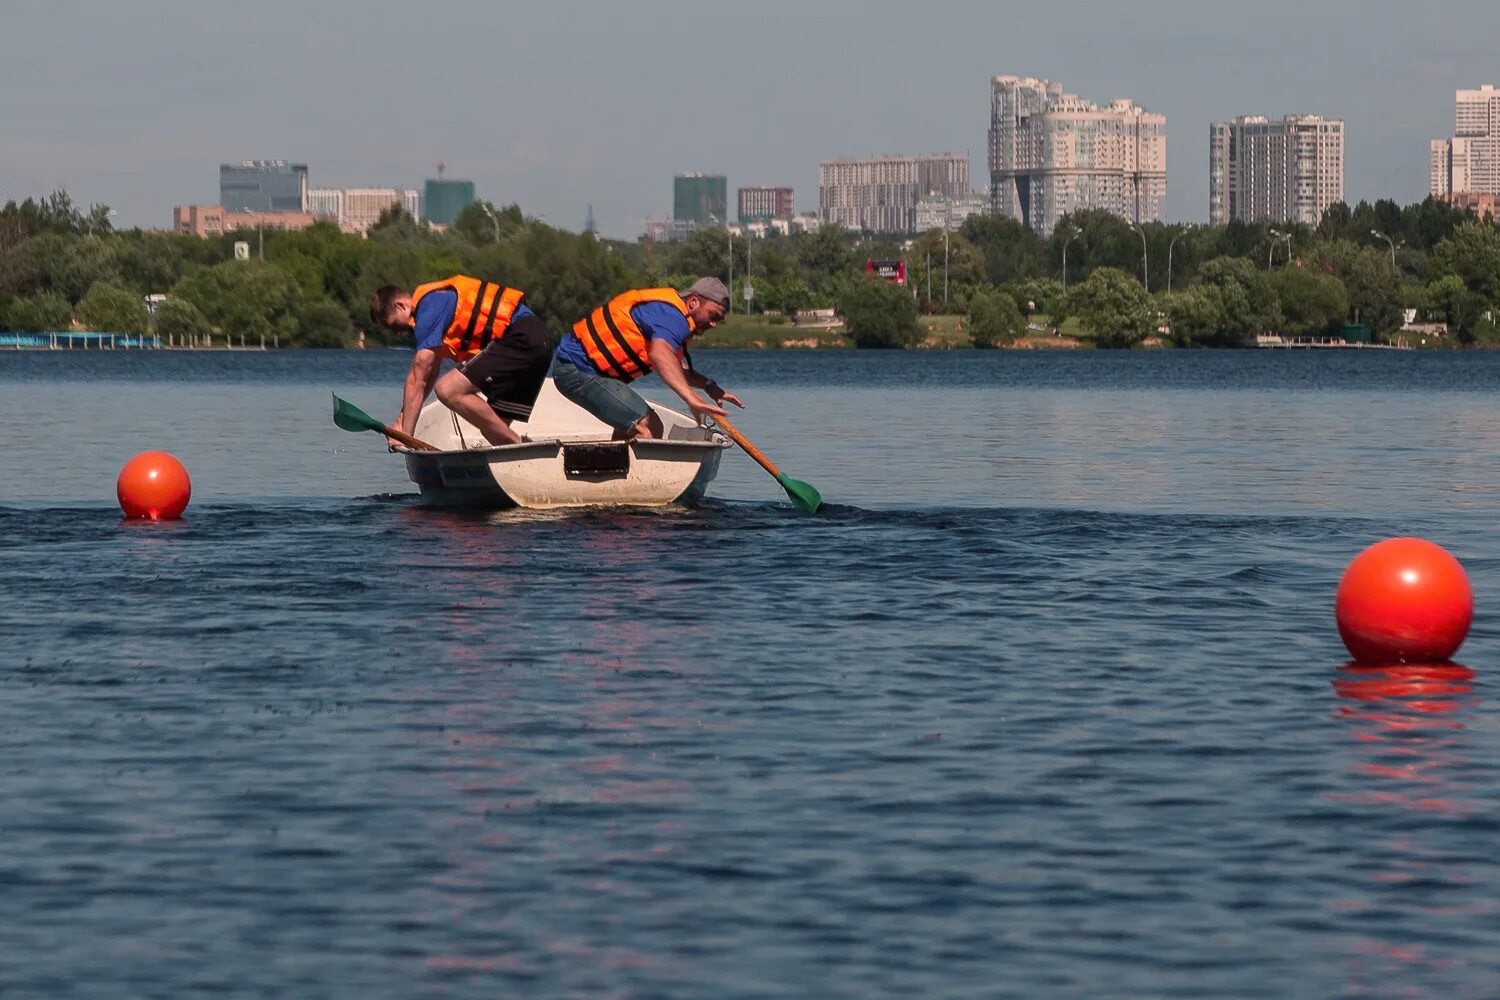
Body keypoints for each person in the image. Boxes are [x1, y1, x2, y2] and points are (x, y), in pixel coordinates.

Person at [370, 275, 552, 447]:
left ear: (400, 305)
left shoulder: (429, 306)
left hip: (522, 338)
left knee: (447, 389)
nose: (398, 333)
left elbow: (417, 379)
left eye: (393, 325)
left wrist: (404, 436)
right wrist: (401, 423)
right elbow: (428, 374)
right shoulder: (434, 313)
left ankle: (517, 443)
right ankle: (524, 459)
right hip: (540, 345)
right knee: (494, 431)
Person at [550, 277, 743, 439]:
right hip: (577, 370)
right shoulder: (673, 317)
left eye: (719, 320)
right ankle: (626, 479)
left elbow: (676, 369)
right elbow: (659, 354)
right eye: (712, 315)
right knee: (649, 425)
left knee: (631, 426)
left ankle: (610, 474)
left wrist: (709, 386)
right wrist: (691, 399)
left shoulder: (674, 318)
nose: (714, 324)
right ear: (693, 302)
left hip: (589, 372)